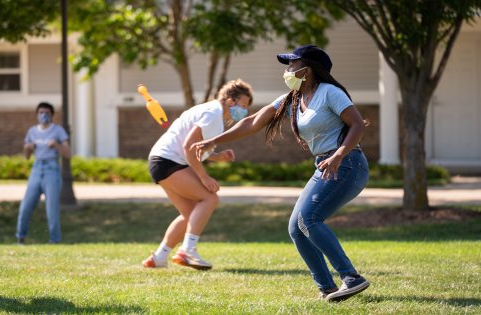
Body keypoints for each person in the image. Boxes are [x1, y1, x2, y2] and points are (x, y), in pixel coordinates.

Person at [193, 45, 370, 301]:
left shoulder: (330, 93)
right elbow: (253, 122)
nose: (287, 70)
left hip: (347, 162)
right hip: (324, 163)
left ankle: (351, 277)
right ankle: (328, 288)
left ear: (306, 70)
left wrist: (338, 155)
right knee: (297, 228)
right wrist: (214, 141)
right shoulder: (292, 99)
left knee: (309, 219)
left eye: (291, 65)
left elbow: (357, 125)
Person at [142, 79, 253, 270]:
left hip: (161, 162)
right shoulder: (213, 113)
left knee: (190, 214)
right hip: (168, 161)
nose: (243, 110)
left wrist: (217, 157)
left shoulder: (213, 115)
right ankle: (187, 251)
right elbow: (188, 147)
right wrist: (204, 177)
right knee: (210, 199)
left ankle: (159, 257)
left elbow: (198, 150)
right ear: (230, 100)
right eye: (242, 105)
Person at [15, 102, 70, 244]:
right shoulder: (32, 131)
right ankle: (20, 238)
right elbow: (26, 156)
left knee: (52, 209)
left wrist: (56, 145)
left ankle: (54, 240)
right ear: (37, 114)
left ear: (51, 115)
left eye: (46, 112)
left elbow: (68, 154)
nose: (43, 115)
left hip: (52, 170)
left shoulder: (58, 131)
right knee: (25, 206)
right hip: (36, 169)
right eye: (41, 112)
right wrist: (28, 148)